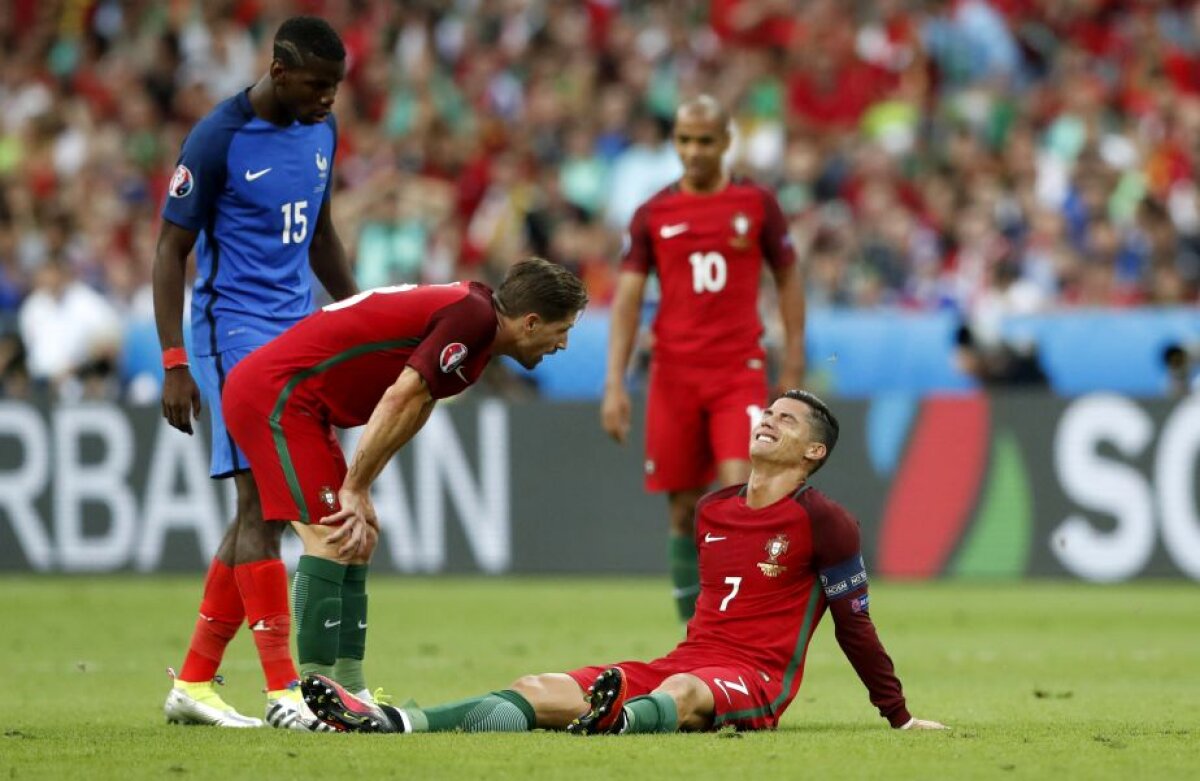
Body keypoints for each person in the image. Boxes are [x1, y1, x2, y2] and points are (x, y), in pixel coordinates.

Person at [299, 390, 947, 735]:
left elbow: (854, 624)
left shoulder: (827, 521)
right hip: (684, 657)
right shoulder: (713, 508)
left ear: (813, 453)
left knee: (683, 695)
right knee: (536, 685)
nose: (767, 420)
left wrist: (898, 713)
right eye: (767, 411)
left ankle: (616, 720)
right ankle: (397, 721)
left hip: (751, 679)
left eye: (787, 419)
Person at [221, 257, 588, 723]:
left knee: (359, 540)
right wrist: (352, 487)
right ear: (530, 322)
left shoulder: (477, 329)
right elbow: (399, 397)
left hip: (304, 406)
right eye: (562, 329)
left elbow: (418, 405)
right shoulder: (471, 319)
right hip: (277, 395)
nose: (563, 343)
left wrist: (364, 486)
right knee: (332, 535)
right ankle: (302, 700)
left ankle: (352, 693)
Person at [154, 16, 358, 729]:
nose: (330, 98)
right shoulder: (218, 137)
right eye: (318, 84)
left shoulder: (320, 133)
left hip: (294, 334)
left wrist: (357, 316)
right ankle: (282, 689)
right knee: (264, 504)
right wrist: (175, 360)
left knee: (259, 509)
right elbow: (168, 250)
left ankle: (195, 680)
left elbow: (321, 237)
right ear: (280, 68)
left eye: (337, 86)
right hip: (229, 335)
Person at [601, 95, 806, 621]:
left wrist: (794, 363)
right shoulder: (653, 213)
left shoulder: (756, 203)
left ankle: (741, 624)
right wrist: (615, 385)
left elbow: (788, 277)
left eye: (705, 141)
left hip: (737, 368)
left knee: (742, 492)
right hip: (673, 373)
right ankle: (694, 634)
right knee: (682, 508)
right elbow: (626, 300)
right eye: (685, 140)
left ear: (725, 142)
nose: (693, 151)